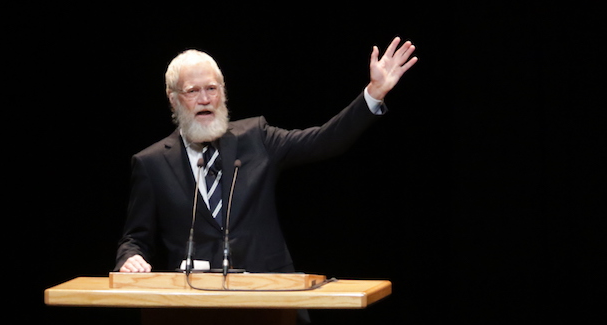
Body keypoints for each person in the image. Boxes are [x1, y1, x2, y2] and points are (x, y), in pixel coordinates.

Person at [115, 38, 417, 274]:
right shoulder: (151, 163)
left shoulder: (256, 138)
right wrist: (130, 258)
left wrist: (374, 93)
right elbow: (135, 238)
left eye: (212, 88)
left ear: (223, 92)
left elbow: (326, 140)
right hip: (191, 304)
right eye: (193, 91)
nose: (205, 99)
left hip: (267, 296)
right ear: (173, 98)